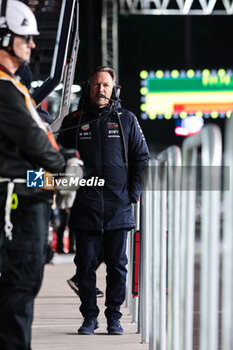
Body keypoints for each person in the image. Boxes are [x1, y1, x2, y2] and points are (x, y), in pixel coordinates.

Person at [0, 1, 79, 349]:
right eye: (26, 38)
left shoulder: (12, 87)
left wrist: (64, 159)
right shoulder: (3, 89)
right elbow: (34, 141)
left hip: (23, 200)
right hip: (16, 205)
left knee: (21, 293)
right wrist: (66, 167)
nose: (33, 45)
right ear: (5, 37)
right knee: (17, 295)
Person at [58, 65, 149, 335]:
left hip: (118, 207)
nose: (101, 89)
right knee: (85, 265)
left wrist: (132, 194)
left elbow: (141, 158)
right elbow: (59, 161)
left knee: (117, 267)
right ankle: (89, 317)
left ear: (114, 89)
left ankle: (114, 317)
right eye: (96, 84)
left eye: (106, 85)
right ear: (89, 87)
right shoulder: (73, 120)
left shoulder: (127, 119)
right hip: (84, 208)